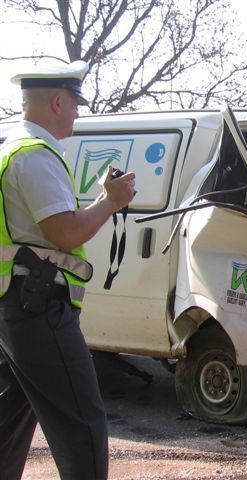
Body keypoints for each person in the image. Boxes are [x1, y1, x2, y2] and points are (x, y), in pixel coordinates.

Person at [0, 60, 136, 480]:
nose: (78, 111)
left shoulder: (10, 148)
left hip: (13, 306)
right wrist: (111, 200)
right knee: (83, 425)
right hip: (39, 309)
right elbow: (63, 233)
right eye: (75, 103)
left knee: (9, 419)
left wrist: (99, 202)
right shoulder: (35, 156)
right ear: (57, 101)